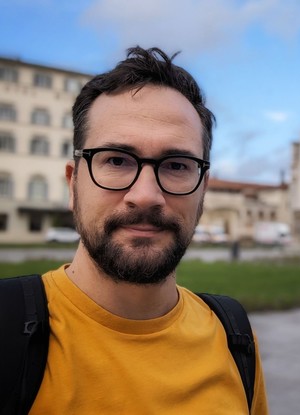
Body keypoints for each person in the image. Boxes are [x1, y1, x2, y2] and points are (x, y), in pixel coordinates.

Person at [29, 47, 268, 414]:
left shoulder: (234, 339)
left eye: (175, 165)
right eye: (117, 160)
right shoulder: (9, 332)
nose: (145, 196)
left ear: (203, 191)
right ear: (73, 184)